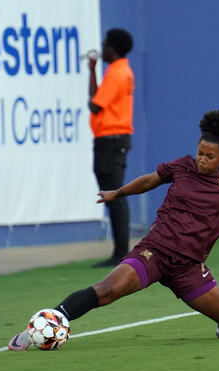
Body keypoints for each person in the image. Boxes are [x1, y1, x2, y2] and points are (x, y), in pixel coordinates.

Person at [9, 110, 219, 350]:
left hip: (189, 268)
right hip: (154, 252)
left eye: (209, 156)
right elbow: (149, 180)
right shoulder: (182, 166)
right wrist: (118, 192)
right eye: (200, 152)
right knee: (105, 290)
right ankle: (39, 327)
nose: (201, 159)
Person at [88, 28, 135, 268]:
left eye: (105, 44)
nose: (102, 47)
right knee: (115, 195)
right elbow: (98, 101)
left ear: (113, 48)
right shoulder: (120, 70)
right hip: (114, 140)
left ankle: (120, 253)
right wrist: (93, 70)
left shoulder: (116, 73)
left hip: (111, 140)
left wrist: (93, 72)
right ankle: (120, 251)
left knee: (115, 196)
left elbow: (95, 105)